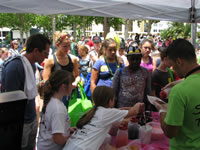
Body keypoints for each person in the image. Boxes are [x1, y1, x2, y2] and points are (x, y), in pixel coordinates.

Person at [1, 34, 51, 150]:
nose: (47, 57)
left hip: (31, 118)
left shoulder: (31, 66)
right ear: (36, 51)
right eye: (45, 53)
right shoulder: (15, 67)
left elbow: (31, 92)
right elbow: (10, 101)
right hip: (20, 123)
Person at [63, 86, 144, 150]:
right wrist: (139, 104)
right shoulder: (106, 113)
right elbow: (134, 111)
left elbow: (119, 112)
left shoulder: (95, 111)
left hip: (70, 145)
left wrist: (128, 110)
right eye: (113, 99)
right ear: (110, 101)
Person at [153, 39, 200, 150]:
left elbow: (170, 132)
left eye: (173, 65)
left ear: (179, 61)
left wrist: (162, 109)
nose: (173, 69)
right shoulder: (181, 87)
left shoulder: (179, 91)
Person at [37, 70, 76, 150]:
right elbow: (57, 138)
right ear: (63, 86)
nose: (73, 87)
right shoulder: (58, 109)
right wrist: (70, 138)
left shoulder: (52, 101)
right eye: (71, 84)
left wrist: (67, 129)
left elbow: (51, 127)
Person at [112, 44, 151, 108]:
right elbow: (113, 92)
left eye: (137, 59)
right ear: (127, 58)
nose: (135, 61)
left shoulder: (145, 72)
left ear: (141, 58)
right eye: (132, 59)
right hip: (122, 109)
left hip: (139, 108)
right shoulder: (120, 72)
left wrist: (148, 106)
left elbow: (148, 92)